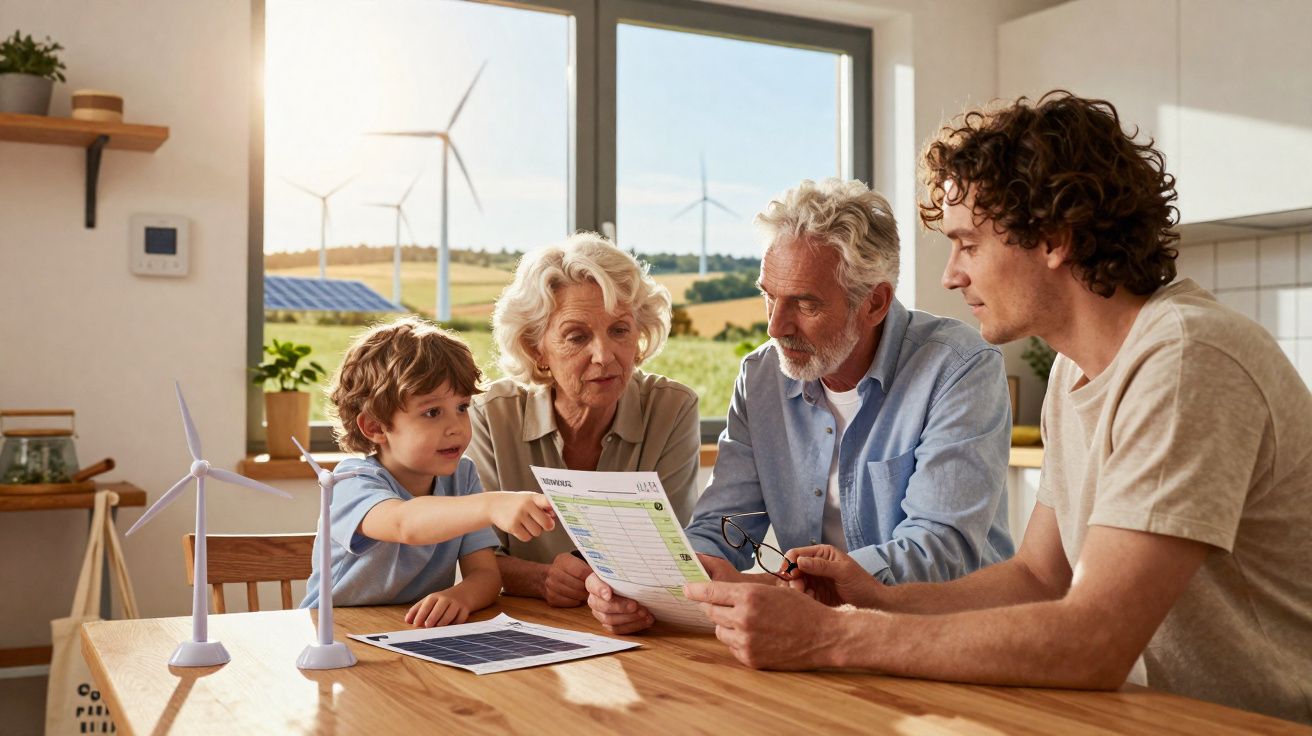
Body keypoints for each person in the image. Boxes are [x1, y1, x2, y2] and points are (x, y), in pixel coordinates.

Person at [683, 92, 1312, 725]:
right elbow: (1038, 579)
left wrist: (830, 635)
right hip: (1144, 715)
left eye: (968, 244)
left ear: (1054, 239)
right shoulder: (1075, 372)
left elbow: (1093, 641)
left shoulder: (1186, 358)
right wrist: (872, 598)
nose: (951, 275)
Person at [588, 178, 1015, 634]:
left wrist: (793, 587)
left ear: (874, 303)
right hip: (814, 637)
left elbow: (938, 550)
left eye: (804, 304)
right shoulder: (762, 377)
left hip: (942, 635)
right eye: (768, 296)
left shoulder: (959, 368)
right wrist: (666, 581)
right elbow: (724, 520)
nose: (774, 326)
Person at [467, 233, 700, 609]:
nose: (604, 356)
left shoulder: (673, 409)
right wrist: (543, 579)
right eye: (577, 337)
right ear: (535, 348)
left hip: (638, 625)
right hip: (527, 624)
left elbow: (671, 558)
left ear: (639, 335)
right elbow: (475, 557)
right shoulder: (491, 415)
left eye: (619, 330)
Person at [300, 317, 557, 628]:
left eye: (462, 407)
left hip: (411, 634)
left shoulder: (462, 476)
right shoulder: (349, 481)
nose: (456, 428)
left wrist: (460, 596)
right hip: (337, 633)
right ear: (375, 427)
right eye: (432, 412)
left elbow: (487, 575)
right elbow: (404, 522)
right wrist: (491, 504)